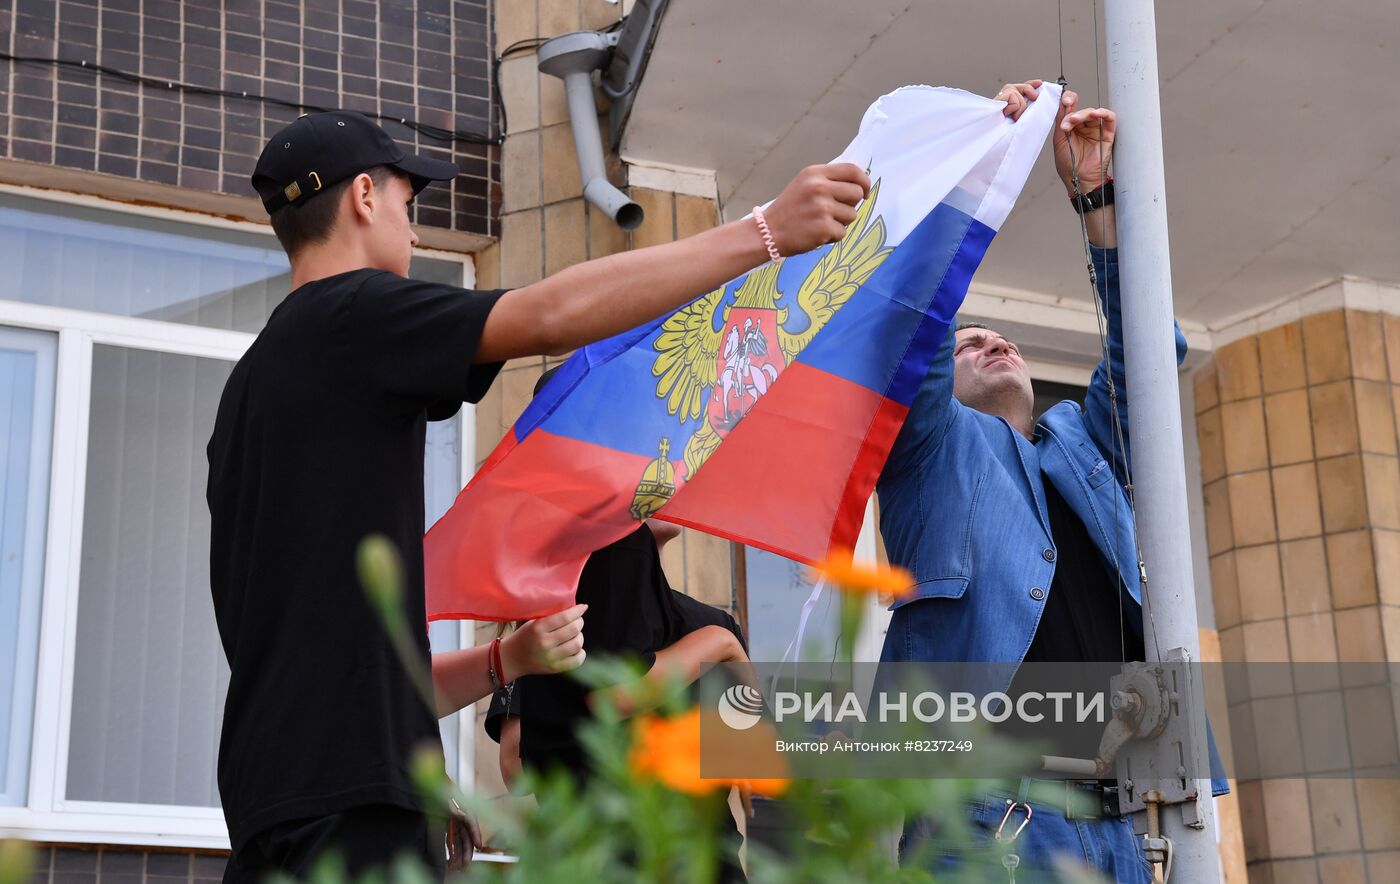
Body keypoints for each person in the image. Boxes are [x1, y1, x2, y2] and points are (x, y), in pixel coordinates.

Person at [207, 109, 868, 882]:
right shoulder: (352, 314)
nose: (414, 235)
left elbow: (341, 664)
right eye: (409, 205)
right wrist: (763, 234)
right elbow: (546, 314)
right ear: (363, 197)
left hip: (280, 796)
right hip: (351, 807)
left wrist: (497, 665)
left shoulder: (251, 390)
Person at [874, 82, 1225, 881]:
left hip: (1130, 820)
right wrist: (987, 162)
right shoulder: (927, 449)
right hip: (993, 814)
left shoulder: (1082, 444)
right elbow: (918, 321)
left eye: (1001, 338)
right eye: (971, 345)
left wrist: (1094, 199)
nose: (990, 340)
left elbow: (1149, 347)